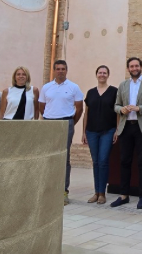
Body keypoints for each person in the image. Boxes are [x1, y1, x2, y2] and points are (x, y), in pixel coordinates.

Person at [110, 57, 142, 210]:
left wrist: (139, 108)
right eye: (131, 66)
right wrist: (121, 110)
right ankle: (124, 195)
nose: (134, 68)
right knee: (124, 161)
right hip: (126, 127)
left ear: (141, 67)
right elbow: (116, 105)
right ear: (128, 69)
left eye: (136, 65)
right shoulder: (123, 85)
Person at [40, 60, 84, 206]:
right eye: (58, 69)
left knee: (64, 158)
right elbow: (42, 107)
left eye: (63, 69)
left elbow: (79, 109)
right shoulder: (46, 87)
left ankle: (63, 191)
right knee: (48, 156)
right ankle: (49, 189)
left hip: (66, 122)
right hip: (49, 123)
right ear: (54, 70)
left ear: (66, 70)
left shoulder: (73, 87)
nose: (60, 71)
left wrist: (70, 122)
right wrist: (49, 118)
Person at [82, 65, 118, 204]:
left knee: (103, 161)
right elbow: (86, 113)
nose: (102, 75)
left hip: (107, 131)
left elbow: (117, 112)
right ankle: (96, 192)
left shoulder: (114, 91)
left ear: (108, 75)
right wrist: (83, 132)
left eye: (105, 73)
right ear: (96, 74)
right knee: (95, 162)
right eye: (100, 72)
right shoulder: (90, 93)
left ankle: (102, 193)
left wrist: (116, 130)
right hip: (91, 131)